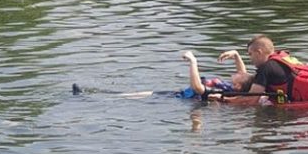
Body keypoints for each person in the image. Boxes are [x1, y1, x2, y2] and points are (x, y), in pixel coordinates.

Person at [71, 51, 244, 100]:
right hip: (176, 93)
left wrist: (193, 62)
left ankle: (90, 98)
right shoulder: (235, 86)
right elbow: (243, 74)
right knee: (140, 94)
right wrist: (236, 55)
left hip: (176, 99)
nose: (237, 74)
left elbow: (198, 88)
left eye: (239, 76)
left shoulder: (224, 93)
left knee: (136, 96)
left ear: (238, 86)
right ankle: (96, 95)